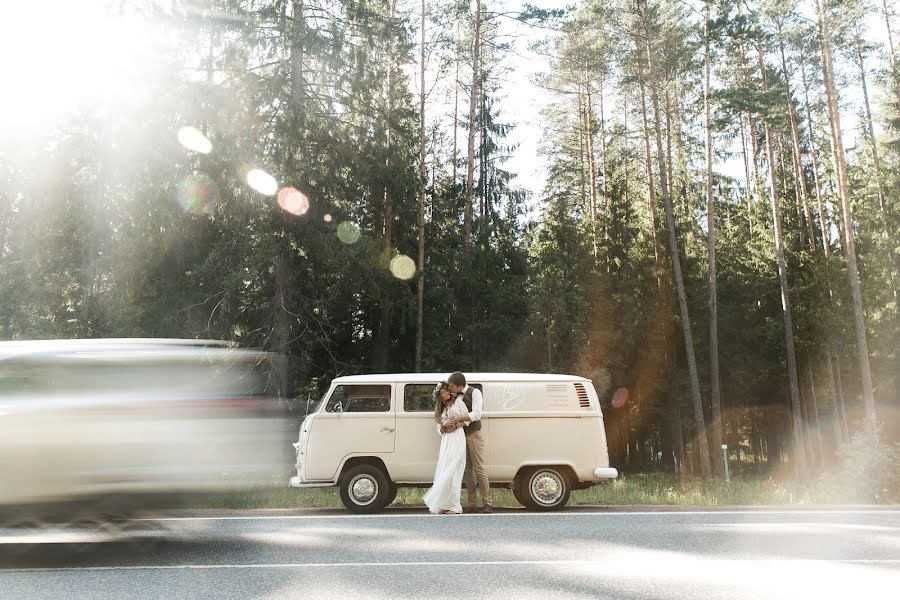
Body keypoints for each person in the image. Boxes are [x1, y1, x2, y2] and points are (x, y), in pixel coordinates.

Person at [446, 371, 492, 513]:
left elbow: (477, 414)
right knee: (467, 470)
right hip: (459, 435)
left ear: (459, 386)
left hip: (473, 434)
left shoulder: (475, 392)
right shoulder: (453, 396)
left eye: (452, 386)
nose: (450, 388)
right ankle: (472, 503)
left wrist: (458, 419)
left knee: (479, 468)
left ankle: (487, 502)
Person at [423, 382, 469, 515]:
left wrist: (455, 425)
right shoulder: (441, 410)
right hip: (447, 440)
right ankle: (444, 503)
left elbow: (467, 420)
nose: (445, 394)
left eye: (446, 391)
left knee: (454, 470)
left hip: (457, 437)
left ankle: (455, 506)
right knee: (444, 469)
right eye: (442, 393)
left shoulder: (459, 402)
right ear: (440, 397)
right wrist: (444, 425)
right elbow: (439, 429)